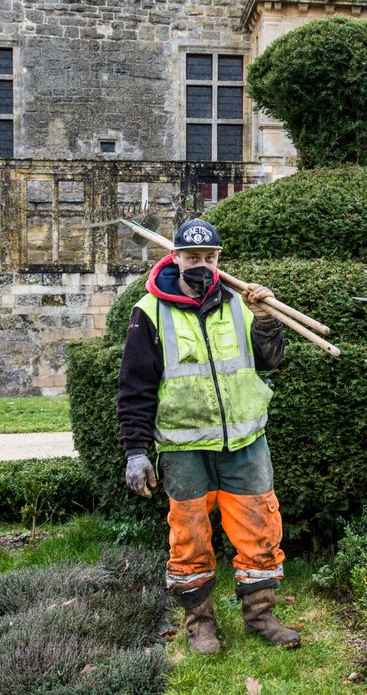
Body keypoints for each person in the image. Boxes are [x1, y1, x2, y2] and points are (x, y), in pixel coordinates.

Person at [117, 217, 300, 653]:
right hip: (183, 449)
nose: (201, 264)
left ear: (219, 259)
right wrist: (135, 451)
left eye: (210, 257)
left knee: (259, 530)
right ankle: (200, 623)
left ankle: (261, 615)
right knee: (190, 537)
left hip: (245, 442)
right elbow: (135, 387)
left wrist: (267, 321)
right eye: (192, 257)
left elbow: (269, 361)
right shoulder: (149, 312)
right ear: (175, 257)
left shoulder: (240, 302)